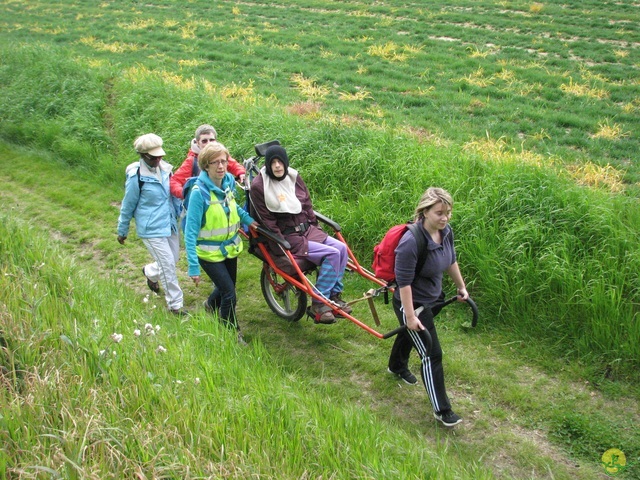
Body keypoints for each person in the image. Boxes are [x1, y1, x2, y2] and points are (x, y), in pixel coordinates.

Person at [387, 187, 469, 428]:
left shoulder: (446, 232)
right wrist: (410, 316)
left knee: (411, 335)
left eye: (448, 212)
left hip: (433, 298)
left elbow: (451, 260)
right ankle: (443, 411)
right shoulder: (411, 241)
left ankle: (396, 366)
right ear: (424, 212)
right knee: (431, 353)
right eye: (439, 213)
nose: (445, 218)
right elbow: (404, 283)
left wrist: (461, 287)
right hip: (411, 303)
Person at [250, 145, 351, 324]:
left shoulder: (293, 177)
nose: (277, 166)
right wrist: (280, 243)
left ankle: (334, 295)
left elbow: (306, 204)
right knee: (332, 254)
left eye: (280, 162)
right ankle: (319, 304)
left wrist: (315, 226)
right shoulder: (260, 186)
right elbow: (267, 221)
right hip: (288, 238)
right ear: (268, 164)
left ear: (286, 163)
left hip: (307, 229)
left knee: (341, 248)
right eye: (273, 162)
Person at [184, 142, 257, 343]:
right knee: (230, 294)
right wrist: (193, 266)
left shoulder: (228, 183)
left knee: (227, 288)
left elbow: (234, 209)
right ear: (205, 166)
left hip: (229, 249)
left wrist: (250, 221)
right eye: (214, 162)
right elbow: (190, 232)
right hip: (208, 253)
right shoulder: (199, 193)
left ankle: (209, 305)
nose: (220, 166)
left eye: (223, 161)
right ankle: (231, 332)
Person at [117, 133, 188, 316]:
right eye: (153, 157)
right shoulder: (136, 177)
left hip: (169, 223)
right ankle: (175, 305)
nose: (158, 159)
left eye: (160, 155)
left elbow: (173, 195)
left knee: (173, 259)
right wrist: (122, 229)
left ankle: (150, 271)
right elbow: (128, 204)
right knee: (167, 265)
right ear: (143, 155)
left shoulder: (166, 170)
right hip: (150, 228)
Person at [170, 124, 246, 201]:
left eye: (211, 140)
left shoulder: (220, 154)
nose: (209, 143)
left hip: (222, 198)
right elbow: (174, 182)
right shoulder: (192, 161)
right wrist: (186, 194)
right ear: (197, 143)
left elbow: (233, 165)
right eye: (204, 141)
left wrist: (241, 173)